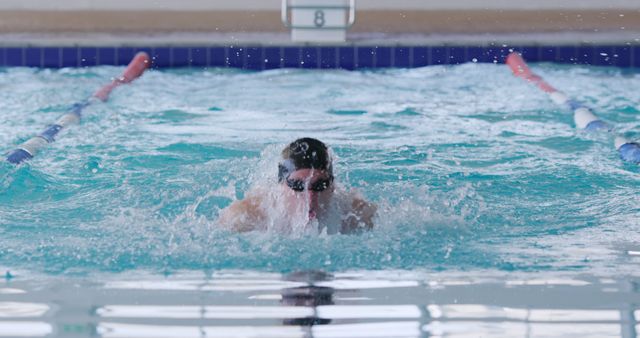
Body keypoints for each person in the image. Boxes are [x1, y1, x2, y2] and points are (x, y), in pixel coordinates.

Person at [217, 137, 376, 234]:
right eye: (298, 186)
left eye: (320, 185)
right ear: (280, 187)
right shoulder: (246, 217)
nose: (310, 197)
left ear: (333, 186)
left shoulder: (358, 215)